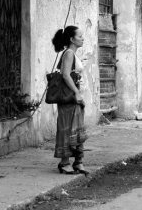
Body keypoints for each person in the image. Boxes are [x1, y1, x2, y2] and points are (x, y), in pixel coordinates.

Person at [51, 26, 88, 175]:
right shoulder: (69, 53)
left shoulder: (73, 54)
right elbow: (65, 75)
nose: (82, 38)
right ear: (72, 39)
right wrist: (77, 92)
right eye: (80, 36)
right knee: (67, 127)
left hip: (74, 97)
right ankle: (64, 162)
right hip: (69, 97)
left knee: (76, 128)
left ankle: (78, 162)